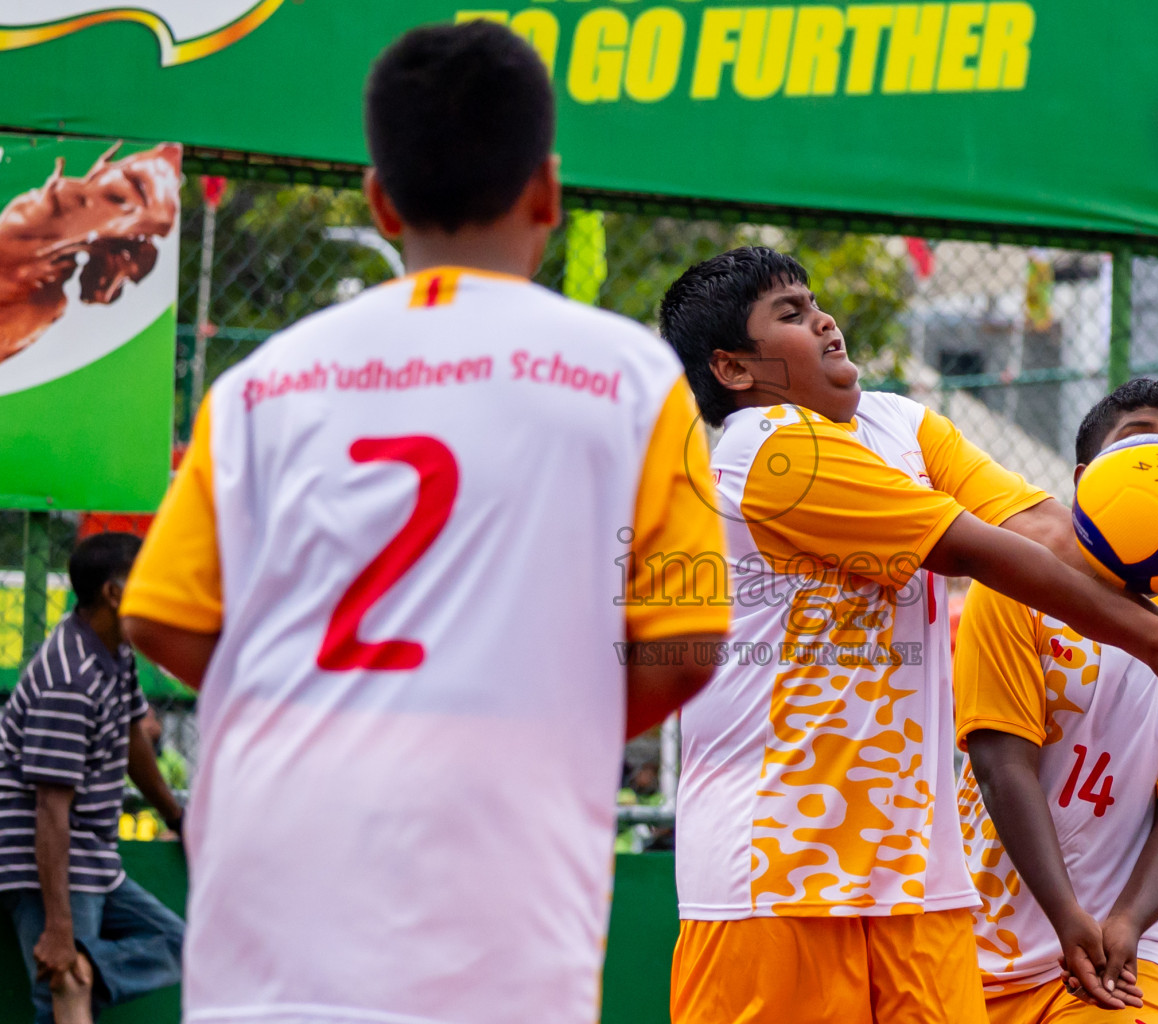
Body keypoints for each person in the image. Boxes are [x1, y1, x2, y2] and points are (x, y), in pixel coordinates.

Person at [119, 23, 728, 1024]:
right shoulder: (627, 374)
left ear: (379, 200)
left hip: (271, 909)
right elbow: (689, 640)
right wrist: (533, 716)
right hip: (498, 916)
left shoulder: (262, 383)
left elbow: (162, 618)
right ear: (547, 190)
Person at [658, 250, 1158, 1024]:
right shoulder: (767, 451)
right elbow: (973, 549)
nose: (824, 321)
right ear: (732, 368)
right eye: (790, 316)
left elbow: (1037, 528)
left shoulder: (897, 423)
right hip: (775, 873)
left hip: (913, 876)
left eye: (814, 302)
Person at [956, 379, 1158, 1024]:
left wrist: (1125, 921)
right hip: (981, 933)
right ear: (1084, 481)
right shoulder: (1014, 586)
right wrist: (1067, 915)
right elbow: (1001, 765)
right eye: (1139, 441)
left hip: (1136, 943)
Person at [0, 532, 184, 1024]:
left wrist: (176, 815)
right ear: (114, 592)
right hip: (47, 853)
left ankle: (84, 969)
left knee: (180, 944)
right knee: (59, 999)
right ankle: (73, 971)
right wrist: (58, 927)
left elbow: (132, 741)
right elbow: (49, 809)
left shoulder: (112, 649)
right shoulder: (69, 681)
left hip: (91, 851)